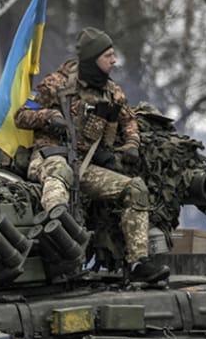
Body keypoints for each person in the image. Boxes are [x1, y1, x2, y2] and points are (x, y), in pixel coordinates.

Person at [14, 28, 159, 282]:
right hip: (50, 157)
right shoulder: (55, 84)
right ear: (93, 59)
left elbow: (129, 123)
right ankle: (60, 239)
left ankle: (138, 263)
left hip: (86, 165)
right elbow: (22, 115)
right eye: (108, 56)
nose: (114, 61)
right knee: (60, 175)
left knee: (135, 189)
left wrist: (132, 145)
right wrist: (50, 117)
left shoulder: (112, 92)